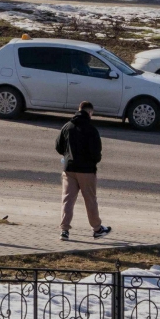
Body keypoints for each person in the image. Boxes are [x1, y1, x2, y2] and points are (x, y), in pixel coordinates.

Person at [55, 101, 111, 241]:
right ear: (90, 112)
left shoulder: (67, 126)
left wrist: (67, 156)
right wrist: (93, 162)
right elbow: (96, 152)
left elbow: (58, 146)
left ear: (78, 110)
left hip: (69, 169)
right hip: (86, 170)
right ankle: (97, 229)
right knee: (90, 200)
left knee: (67, 200)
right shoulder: (91, 129)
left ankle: (64, 230)